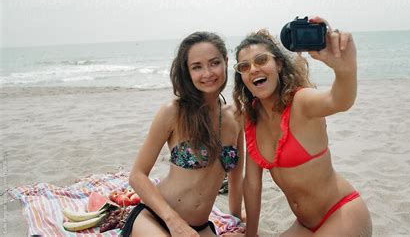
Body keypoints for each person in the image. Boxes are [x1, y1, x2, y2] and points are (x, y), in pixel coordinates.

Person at [232, 16, 372, 236]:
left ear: (278, 63)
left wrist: (345, 70)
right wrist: (251, 234)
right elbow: (251, 184)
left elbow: (339, 100)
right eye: (244, 66)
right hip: (304, 225)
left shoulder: (300, 102)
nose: (253, 69)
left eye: (261, 60)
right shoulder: (252, 118)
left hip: (342, 213)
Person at [122, 32, 244, 236]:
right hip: (156, 218)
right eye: (197, 67)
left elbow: (236, 178)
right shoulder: (173, 112)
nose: (207, 73)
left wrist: (236, 221)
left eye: (214, 63)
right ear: (187, 72)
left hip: (200, 227)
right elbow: (137, 176)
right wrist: (174, 222)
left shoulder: (236, 117)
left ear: (226, 62)